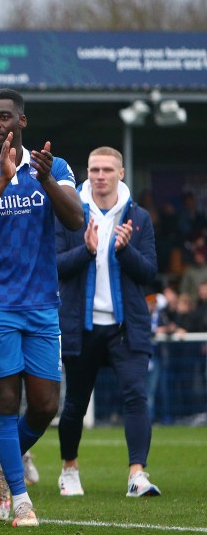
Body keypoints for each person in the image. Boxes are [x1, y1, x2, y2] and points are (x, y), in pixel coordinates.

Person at [0, 88, 83, 527]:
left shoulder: (54, 167)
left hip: (42, 303)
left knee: (47, 404)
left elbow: (76, 221)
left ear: (21, 121)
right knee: (5, 402)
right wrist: (4, 179)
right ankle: (20, 497)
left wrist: (42, 179)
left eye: (4, 117)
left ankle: (0, 464)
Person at [55, 146, 160, 497]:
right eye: (93, 169)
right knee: (75, 404)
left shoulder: (139, 217)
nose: (99, 176)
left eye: (106, 170)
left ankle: (137, 474)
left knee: (136, 396)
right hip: (79, 326)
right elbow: (54, 267)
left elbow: (150, 272)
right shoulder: (70, 213)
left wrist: (124, 249)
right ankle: (69, 468)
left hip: (126, 326)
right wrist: (86, 250)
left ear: (121, 173)